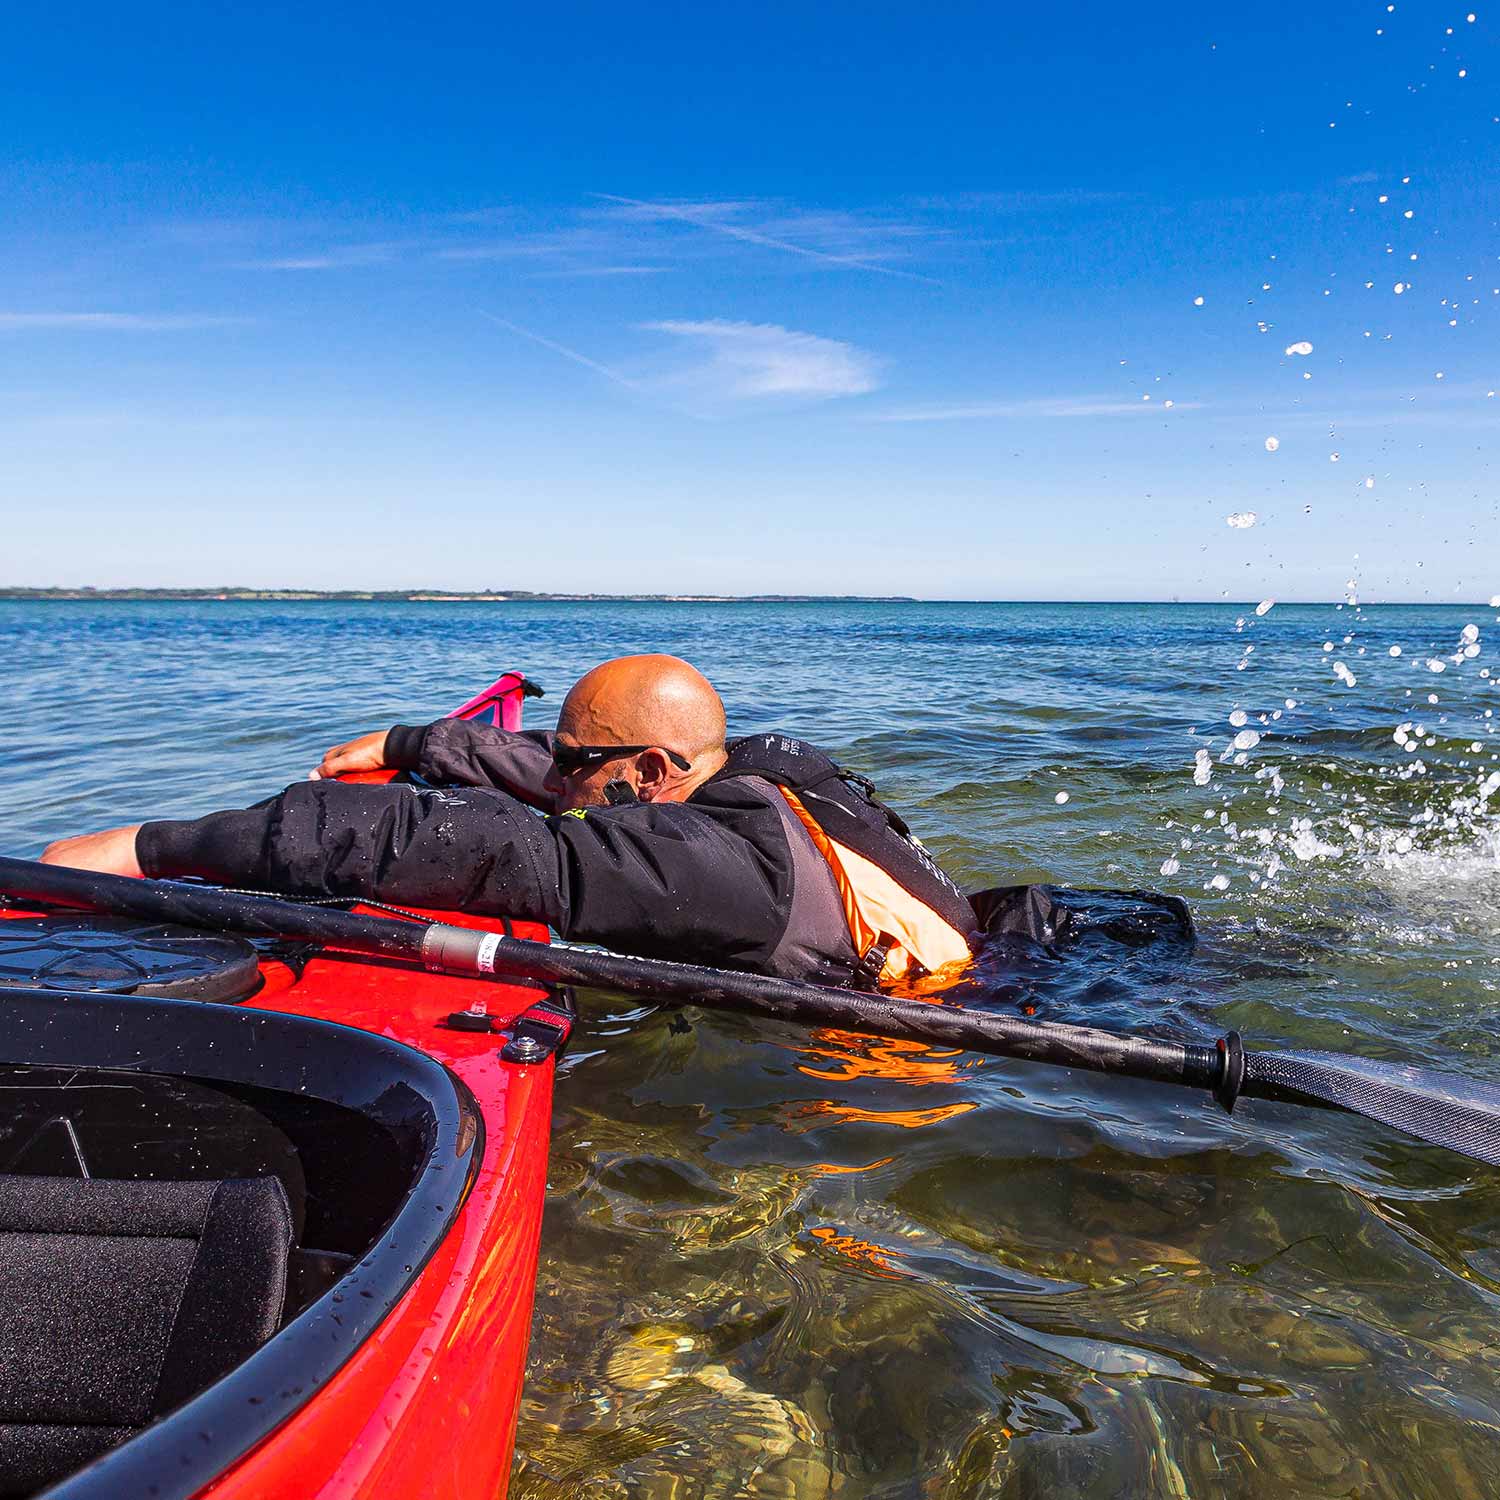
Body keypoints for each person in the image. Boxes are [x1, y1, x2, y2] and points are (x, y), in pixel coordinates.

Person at [41, 655, 980, 987]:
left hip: (942, 1032)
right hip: (1016, 928)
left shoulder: (721, 870)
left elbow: (481, 845)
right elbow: (553, 778)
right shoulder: (768, 773)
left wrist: (150, 846)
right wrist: (421, 743)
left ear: (656, 770)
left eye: (578, 762)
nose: (557, 771)